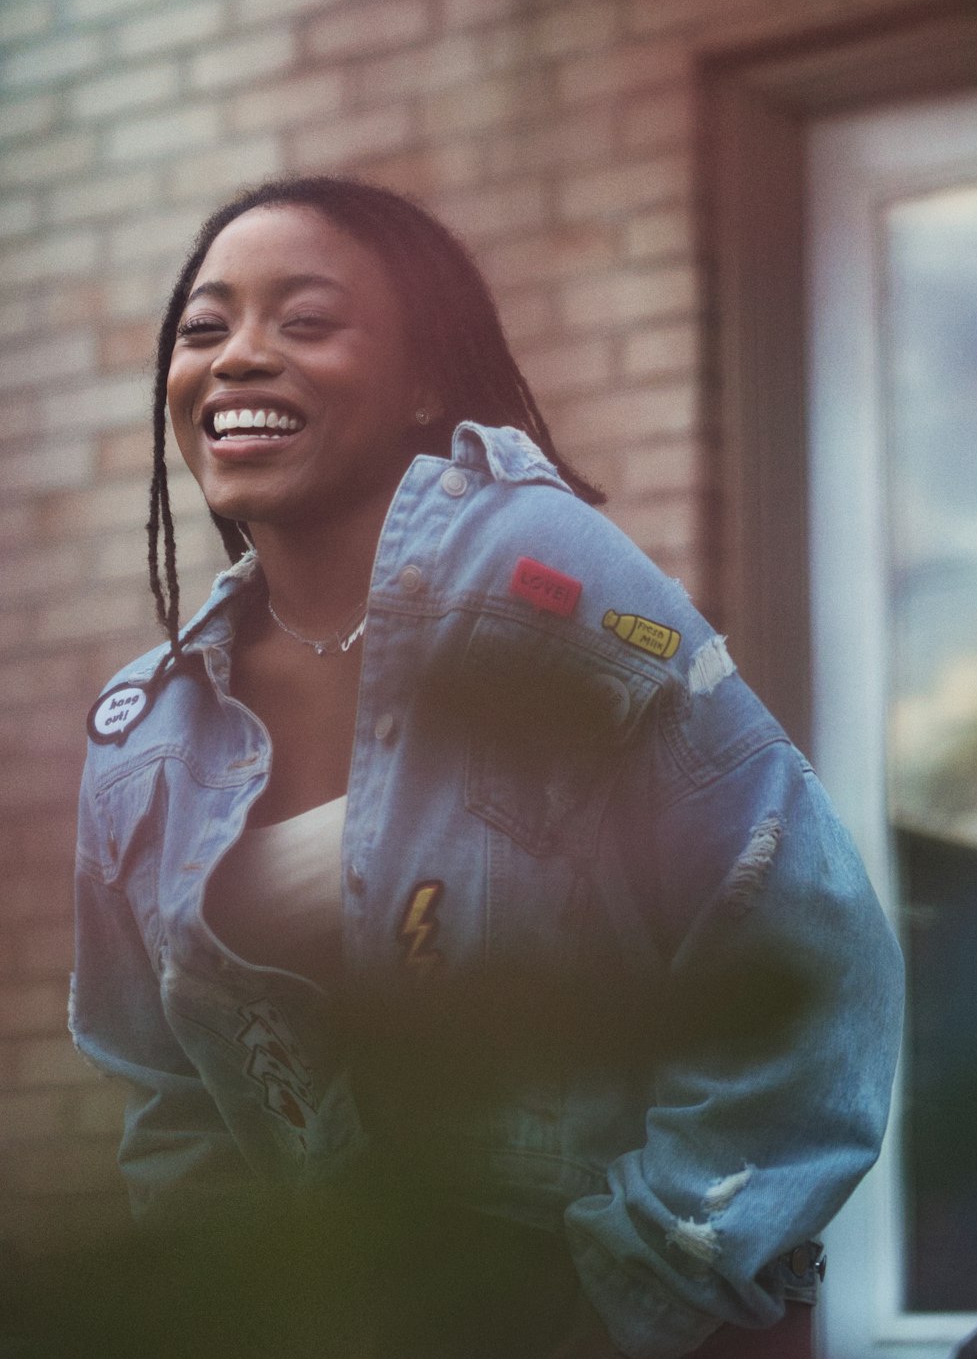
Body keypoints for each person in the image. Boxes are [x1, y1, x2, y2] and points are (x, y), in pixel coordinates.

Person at [69, 176, 903, 1359]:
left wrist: (623, 1296)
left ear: (423, 381)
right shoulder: (147, 736)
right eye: (205, 328)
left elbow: (807, 952)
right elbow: (168, 1093)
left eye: (305, 322)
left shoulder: (535, 576)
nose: (239, 356)